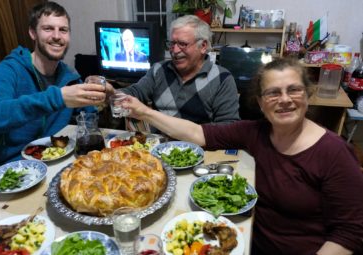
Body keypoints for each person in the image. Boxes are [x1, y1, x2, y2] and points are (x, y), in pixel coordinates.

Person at [121, 58, 363, 255]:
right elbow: (198, 132)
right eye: (273, 93)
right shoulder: (256, 132)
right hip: (248, 243)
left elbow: (350, 233)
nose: (285, 100)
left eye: (294, 90)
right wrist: (143, 111)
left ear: (308, 96)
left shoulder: (334, 152)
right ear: (260, 102)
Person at [0, 1, 106, 174]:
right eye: (48, 29)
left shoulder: (69, 76)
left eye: (63, 30)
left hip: (51, 166)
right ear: (33, 33)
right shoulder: (11, 69)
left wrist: (105, 97)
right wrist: (57, 98)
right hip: (6, 170)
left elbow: (90, 115)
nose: (57, 36)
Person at [109, 15, 239, 129]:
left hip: (200, 150)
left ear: (203, 46)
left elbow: (228, 128)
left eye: (182, 44)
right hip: (158, 149)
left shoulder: (222, 79)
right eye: (172, 44)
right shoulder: (158, 70)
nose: (175, 50)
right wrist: (110, 93)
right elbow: (135, 92)